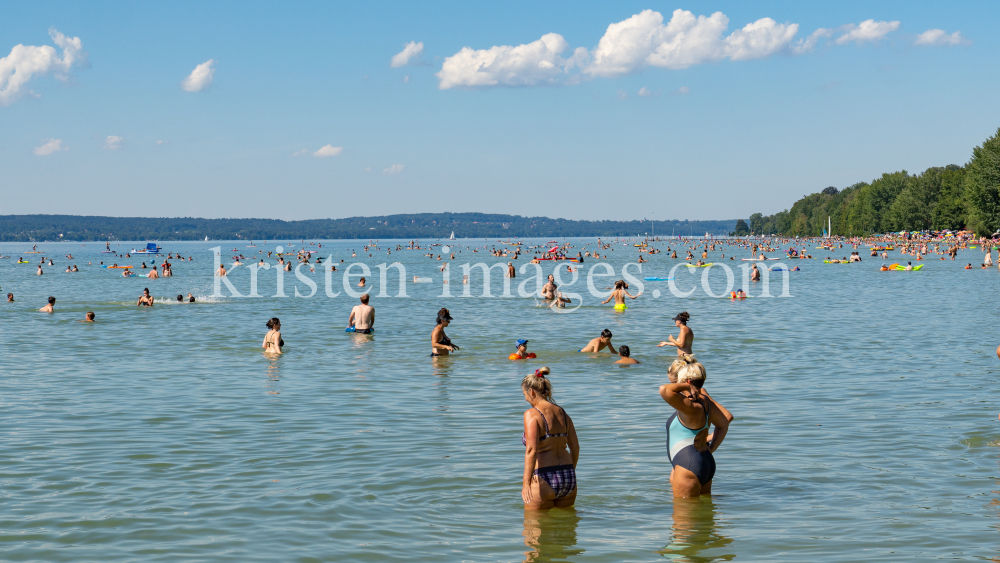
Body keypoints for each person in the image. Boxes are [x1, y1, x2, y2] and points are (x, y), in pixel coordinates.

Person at [659, 356, 731, 497]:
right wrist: (710, 450)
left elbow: (664, 390)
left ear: (688, 381)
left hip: (688, 463)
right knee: (706, 516)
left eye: (679, 381)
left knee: (684, 516)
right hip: (705, 461)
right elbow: (723, 424)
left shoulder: (690, 406)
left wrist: (688, 386)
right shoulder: (706, 402)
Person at [521, 367, 579, 510]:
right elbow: (575, 447)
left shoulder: (532, 414)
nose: (525, 398)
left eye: (524, 394)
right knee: (567, 529)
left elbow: (531, 451)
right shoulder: (562, 413)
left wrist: (525, 483)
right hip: (568, 475)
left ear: (532, 392)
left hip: (543, 477)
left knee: (532, 529)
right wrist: (570, 470)